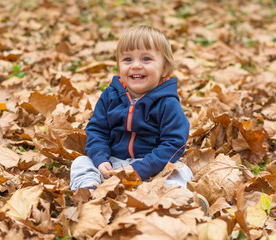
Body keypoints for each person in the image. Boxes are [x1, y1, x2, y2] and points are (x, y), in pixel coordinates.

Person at [70, 25, 207, 213]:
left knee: (179, 170)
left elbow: (174, 142)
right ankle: (89, 196)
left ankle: (177, 202)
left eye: (146, 59)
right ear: (119, 66)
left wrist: (143, 168)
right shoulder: (110, 96)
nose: (135, 65)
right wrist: (101, 158)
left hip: (153, 166)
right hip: (114, 163)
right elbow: (97, 130)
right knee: (81, 163)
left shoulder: (167, 102)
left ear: (164, 67)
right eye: (127, 59)